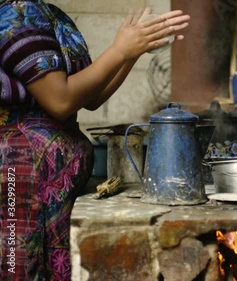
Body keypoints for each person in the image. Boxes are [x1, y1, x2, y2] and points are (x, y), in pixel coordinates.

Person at [0, 0, 190, 280]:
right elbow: (60, 100)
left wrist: (131, 54)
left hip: (47, 175)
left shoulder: (48, 14)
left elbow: (90, 98)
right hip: (21, 171)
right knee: (21, 265)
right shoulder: (15, 16)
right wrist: (119, 50)